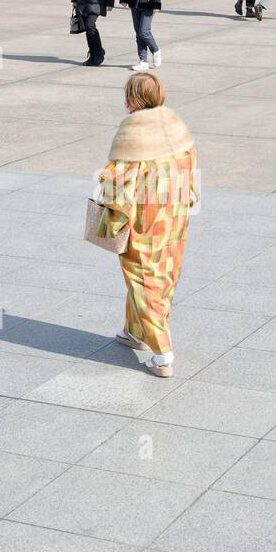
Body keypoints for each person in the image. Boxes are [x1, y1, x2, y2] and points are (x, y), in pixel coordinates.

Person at [95, 73, 198, 378]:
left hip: (144, 220)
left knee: (142, 276)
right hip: (175, 216)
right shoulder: (175, 125)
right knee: (164, 271)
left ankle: (163, 354)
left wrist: (104, 182)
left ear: (134, 99)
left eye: (128, 95)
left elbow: (119, 181)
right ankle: (134, 331)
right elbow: (192, 168)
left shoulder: (134, 133)